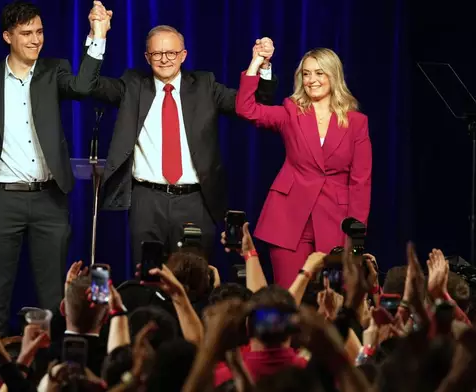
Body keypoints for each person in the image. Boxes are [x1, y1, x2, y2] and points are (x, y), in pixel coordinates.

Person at [0, 0, 111, 335]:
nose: (35, 39)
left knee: (55, 297)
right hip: (0, 199)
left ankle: (52, 377)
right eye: (26, 33)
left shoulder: (54, 71)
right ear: (7, 36)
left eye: (39, 32)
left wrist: (98, 34)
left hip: (49, 201)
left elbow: (83, 87)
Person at [87, 4, 278, 264]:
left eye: (171, 53)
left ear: (184, 55)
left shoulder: (205, 86)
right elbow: (88, 86)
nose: (165, 59)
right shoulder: (132, 85)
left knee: (194, 281)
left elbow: (255, 107)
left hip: (195, 201)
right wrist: (98, 36)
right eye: (157, 53)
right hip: (146, 200)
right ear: (146, 57)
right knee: (147, 279)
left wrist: (260, 65)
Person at [235, 42, 372, 288]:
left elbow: (361, 181)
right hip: (288, 219)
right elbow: (246, 109)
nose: (312, 80)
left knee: (330, 303)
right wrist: (256, 63)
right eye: (306, 74)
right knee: (290, 299)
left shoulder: (356, 122)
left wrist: (356, 235)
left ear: (333, 76)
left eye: (319, 73)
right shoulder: (291, 111)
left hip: (335, 220)